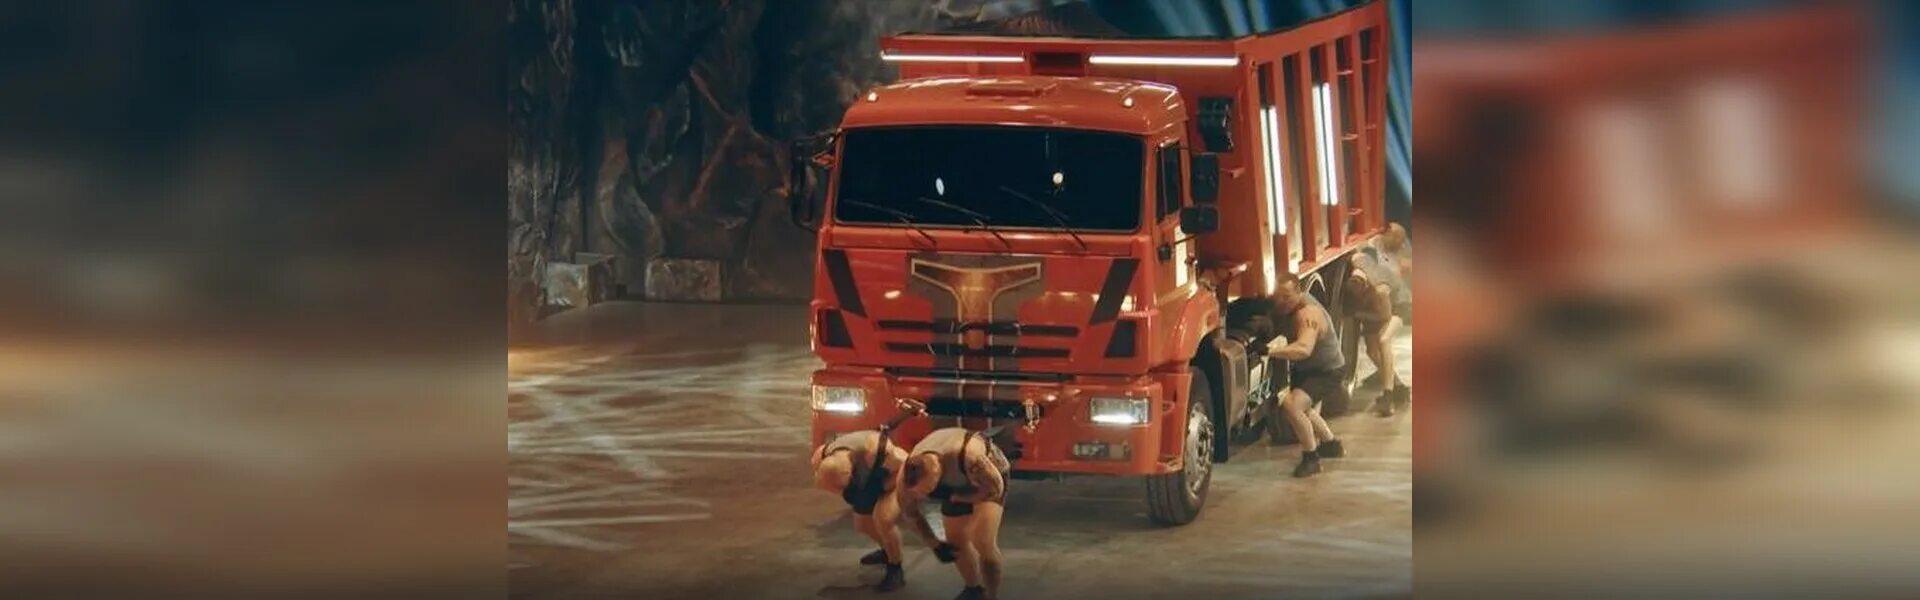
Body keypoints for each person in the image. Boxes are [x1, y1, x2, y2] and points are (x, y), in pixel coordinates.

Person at [811, 400, 956, 592]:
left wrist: (882, 488)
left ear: (850, 473)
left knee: (884, 519)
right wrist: (854, 492)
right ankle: (888, 550)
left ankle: (896, 568)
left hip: (895, 477)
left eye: (842, 486)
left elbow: (904, 471)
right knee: (863, 524)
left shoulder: (879, 452)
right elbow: (834, 484)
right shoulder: (821, 456)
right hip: (869, 482)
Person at [899, 426, 1013, 600]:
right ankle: (973, 589)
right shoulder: (905, 477)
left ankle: (991, 595)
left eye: (930, 490)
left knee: (983, 542)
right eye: (924, 493)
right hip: (955, 481)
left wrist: (961, 498)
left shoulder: (972, 457)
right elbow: (910, 513)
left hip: (988, 479)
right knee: (955, 540)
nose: (925, 496)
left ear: (938, 474)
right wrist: (933, 543)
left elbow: (994, 490)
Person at [1261, 271, 1349, 477]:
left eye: (1286, 297)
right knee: (1304, 408)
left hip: (1327, 371)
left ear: (1299, 292)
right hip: (1310, 369)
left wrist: (1268, 351)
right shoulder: (1292, 307)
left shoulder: (1308, 314)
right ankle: (1331, 445)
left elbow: (1303, 349)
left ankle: (1311, 459)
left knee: (1293, 405)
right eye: (1277, 297)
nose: (1281, 302)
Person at [1348, 247, 1412, 416]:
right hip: (1372, 308)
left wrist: (1358, 315)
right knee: (1371, 352)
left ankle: (1388, 395)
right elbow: (1359, 253)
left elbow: (1385, 316)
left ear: (1366, 284)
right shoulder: (1357, 262)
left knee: (1384, 340)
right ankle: (1399, 387)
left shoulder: (1380, 289)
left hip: (1398, 306)